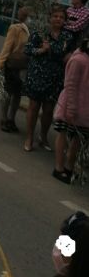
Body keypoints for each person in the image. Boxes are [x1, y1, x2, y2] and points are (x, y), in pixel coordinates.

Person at [23, 5, 72, 152]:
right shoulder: (40, 33)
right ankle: (29, 137)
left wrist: (57, 53)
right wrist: (41, 50)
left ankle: (43, 136)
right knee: (33, 106)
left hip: (55, 77)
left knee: (49, 109)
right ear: (50, 18)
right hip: (37, 75)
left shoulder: (67, 37)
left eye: (61, 17)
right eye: (55, 16)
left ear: (65, 21)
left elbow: (67, 55)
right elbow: (28, 49)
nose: (58, 19)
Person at [51, 37, 89, 183]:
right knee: (63, 134)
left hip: (85, 109)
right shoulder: (78, 59)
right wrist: (72, 108)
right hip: (70, 106)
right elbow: (71, 85)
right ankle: (58, 168)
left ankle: (69, 167)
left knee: (78, 139)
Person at [0, 7, 31, 133]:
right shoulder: (16, 28)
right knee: (8, 93)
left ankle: (11, 119)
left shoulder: (31, 31)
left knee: (17, 94)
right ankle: (4, 118)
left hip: (23, 66)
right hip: (12, 65)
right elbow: (7, 46)